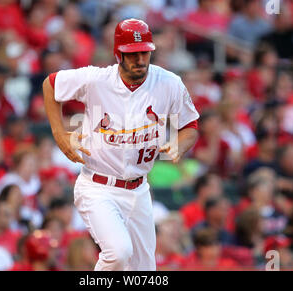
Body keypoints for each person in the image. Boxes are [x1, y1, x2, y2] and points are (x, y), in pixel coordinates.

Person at [42, 18, 199, 271]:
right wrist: (60, 135)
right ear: (118, 55)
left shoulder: (169, 83)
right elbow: (50, 84)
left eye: (144, 52)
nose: (140, 59)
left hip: (139, 190)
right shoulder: (97, 80)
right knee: (118, 252)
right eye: (132, 54)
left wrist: (180, 145)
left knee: (145, 271)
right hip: (99, 186)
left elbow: (190, 126)